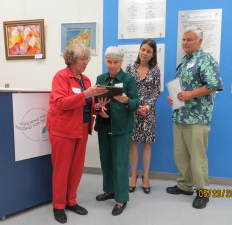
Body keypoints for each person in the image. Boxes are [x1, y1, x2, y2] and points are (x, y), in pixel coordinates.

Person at [47, 43, 109, 224]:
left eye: (87, 59)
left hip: (81, 128)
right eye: (83, 59)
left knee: (75, 169)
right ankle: (58, 205)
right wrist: (85, 95)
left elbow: (87, 105)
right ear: (72, 59)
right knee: (61, 169)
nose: (86, 62)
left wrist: (97, 108)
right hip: (62, 130)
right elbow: (60, 103)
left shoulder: (86, 80)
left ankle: (71, 201)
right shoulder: (61, 77)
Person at [166, 26, 223, 209]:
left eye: (189, 40)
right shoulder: (184, 61)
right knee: (181, 155)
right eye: (183, 39)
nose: (184, 43)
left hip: (197, 118)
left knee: (197, 158)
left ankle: (203, 192)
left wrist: (190, 94)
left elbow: (214, 85)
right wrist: (174, 98)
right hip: (180, 115)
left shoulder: (206, 60)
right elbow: (180, 88)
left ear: (199, 41)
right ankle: (185, 186)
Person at [94, 46, 139, 216]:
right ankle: (110, 190)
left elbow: (135, 104)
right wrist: (98, 109)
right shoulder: (100, 78)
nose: (112, 65)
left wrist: (127, 100)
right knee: (106, 161)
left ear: (121, 62)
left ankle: (121, 198)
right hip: (103, 125)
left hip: (121, 128)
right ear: (105, 60)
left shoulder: (128, 80)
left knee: (120, 164)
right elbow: (94, 103)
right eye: (109, 61)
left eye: (116, 62)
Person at [125, 39, 161, 194]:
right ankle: (133, 176)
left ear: (153, 54)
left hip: (148, 112)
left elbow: (156, 91)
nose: (145, 53)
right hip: (132, 110)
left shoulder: (155, 70)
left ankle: (145, 177)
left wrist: (146, 107)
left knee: (146, 144)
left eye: (149, 51)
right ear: (139, 50)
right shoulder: (129, 68)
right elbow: (125, 89)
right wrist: (133, 106)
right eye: (143, 49)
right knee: (133, 143)